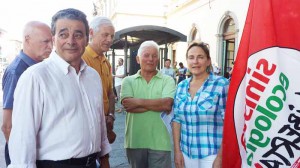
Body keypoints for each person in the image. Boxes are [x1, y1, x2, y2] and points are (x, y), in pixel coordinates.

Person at [7, 8, 111, 168]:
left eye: (78, 35)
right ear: (54, 38)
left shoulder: (92, 76)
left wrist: (104, 158)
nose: (71, 41)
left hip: (92, 163)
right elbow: (23, 140)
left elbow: (99, 123)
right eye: (63, 34)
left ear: (86, 38)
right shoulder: (35, 77)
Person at [1, 21, 52, 166]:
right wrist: (21, 159)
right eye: (45, 41)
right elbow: (7, 125)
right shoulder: (16, 71)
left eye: (51, 41)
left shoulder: (40, 67)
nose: (50, 47)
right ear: (27, 39)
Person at [172, 42, 229, 168]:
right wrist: (177, 151)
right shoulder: (181, 86)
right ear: (187, 61)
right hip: (186, 153)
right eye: (191, 57)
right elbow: (176, 120)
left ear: (208, 61)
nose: (195, 61)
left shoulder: (222, 85)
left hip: (212, 154)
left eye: (200, 57)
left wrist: (220, 157)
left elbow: (229, 123)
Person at [121, 40, 176, 168]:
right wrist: (157, 104)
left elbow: (167, 105)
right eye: (146, 55)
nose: (150, 59)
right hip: (135, 141)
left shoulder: (168, 80)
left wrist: (138, 102)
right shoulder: (128, 81)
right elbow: (128, 105)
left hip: (161, 141)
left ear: (158, 59)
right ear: (138, 59)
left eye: (154, 55)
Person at [82, 16, 116, 167]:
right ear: (91, 33)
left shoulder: (106, 61)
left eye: (112, 36)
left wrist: (111, 117)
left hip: (104, 124)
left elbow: (110, 93)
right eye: (105, 35)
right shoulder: (82, 58)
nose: (109, 39)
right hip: (89, 129)